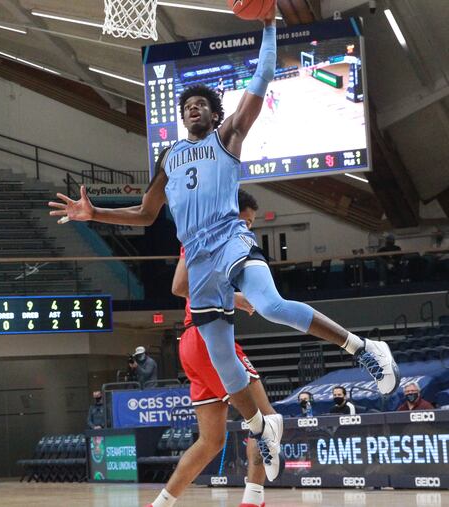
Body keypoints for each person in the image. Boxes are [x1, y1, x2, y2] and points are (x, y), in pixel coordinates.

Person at [49, 10, 398, 487]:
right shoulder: (168, 157)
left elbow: (263, 77)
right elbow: (147, 214)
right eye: (187, 104)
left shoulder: (228, 137)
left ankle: (363, 347)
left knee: (270, 304)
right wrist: (96, 215)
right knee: (220, 355)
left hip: (229, 238)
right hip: (197, 256)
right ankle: (263, 426)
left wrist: (271, 27)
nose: (193, 108)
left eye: (201, 104)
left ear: (215, 114)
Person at [143, 190, 272, 507]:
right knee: (266, 421)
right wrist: (236, 299)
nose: (249, 228)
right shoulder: (222, 240)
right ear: (234, 214)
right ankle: (253, 501)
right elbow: (180, 287)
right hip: (210, 337)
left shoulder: (197, 234)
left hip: (191, 342)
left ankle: (160, 504)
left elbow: (185, 287)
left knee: (211, 440)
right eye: (248, 221)